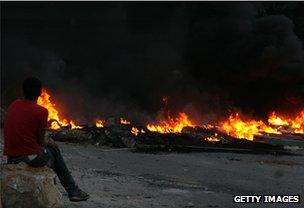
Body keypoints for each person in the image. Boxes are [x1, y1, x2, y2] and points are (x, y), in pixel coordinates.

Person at [3, 77, 89, 202]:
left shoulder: (14, 104)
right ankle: (73, 191)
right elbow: (41, 141)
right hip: (29, 157)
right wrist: (50, 142)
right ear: (39, 93)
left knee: (50, 151)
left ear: (22, 92)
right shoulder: (41, 111)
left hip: (11, 156)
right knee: (54, 151)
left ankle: (64, 189)